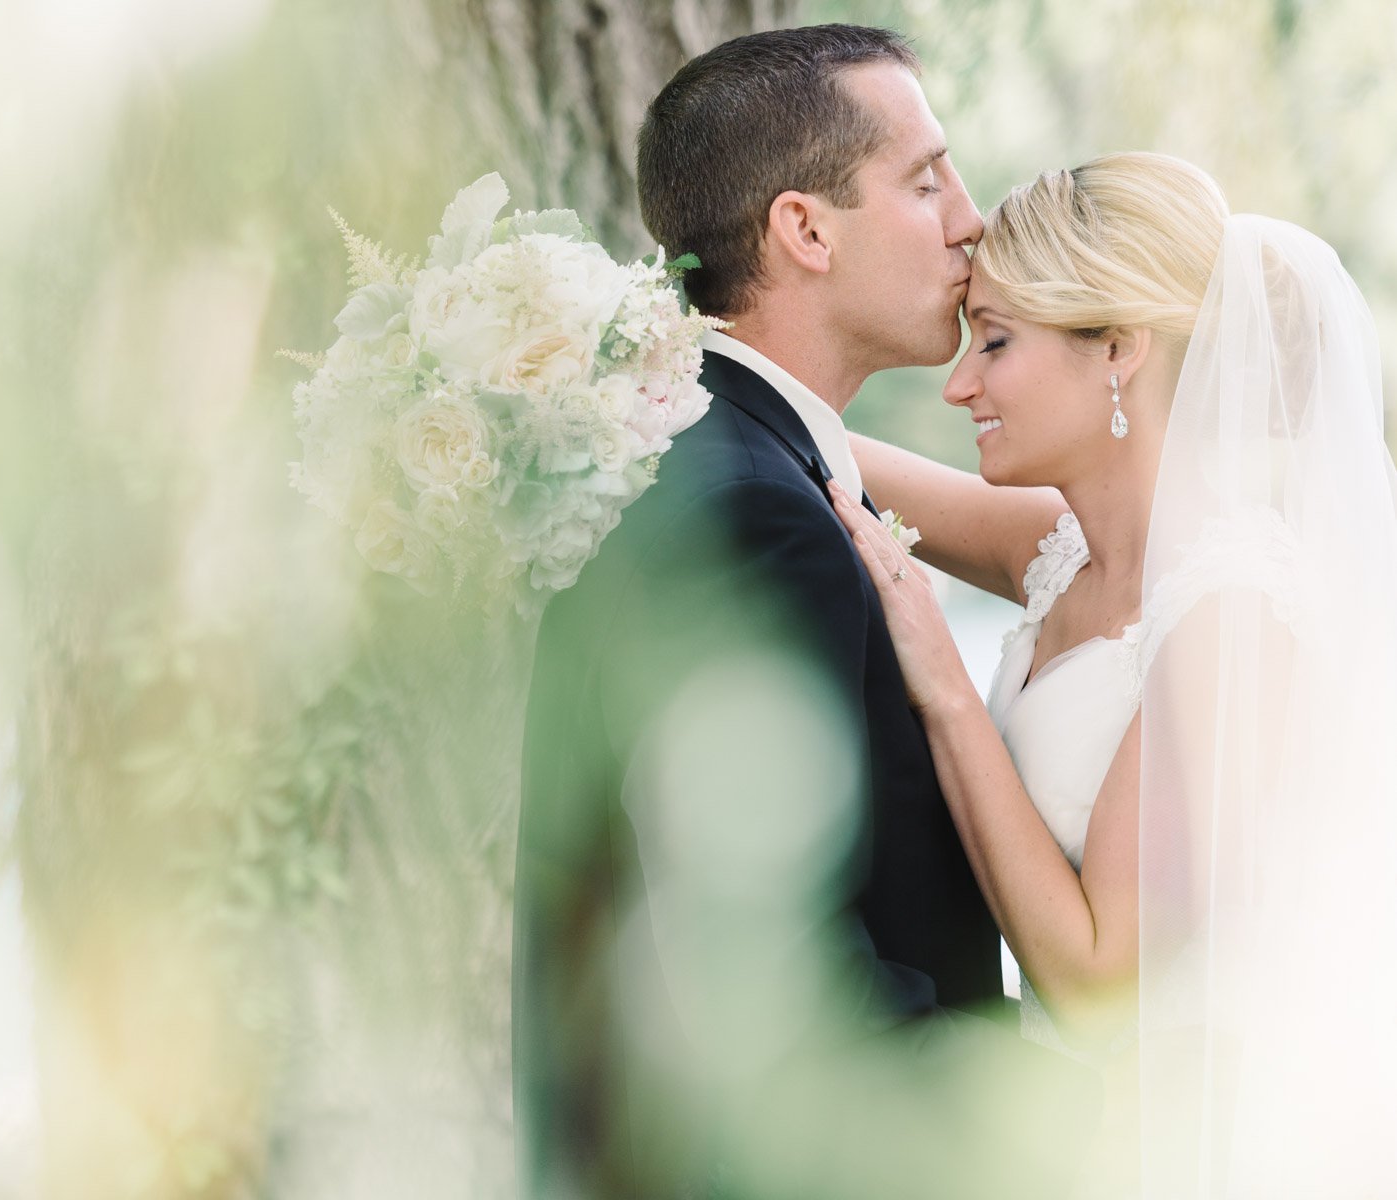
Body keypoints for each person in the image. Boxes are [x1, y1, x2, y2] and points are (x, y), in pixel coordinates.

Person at [514, 25, 1095, 1199]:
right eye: (926, 179)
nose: (968, 219)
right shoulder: (755, 513)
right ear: (806, 230)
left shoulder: (717, 458)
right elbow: (781, 972)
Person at [839, 150, 1397, 1195]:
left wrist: (947, 686)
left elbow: (1099, 975)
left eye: (995, 341)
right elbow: (824, 446)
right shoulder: (1061, 551)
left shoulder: (1232, 614)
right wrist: (646, 363)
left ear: (1119, 353)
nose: (959, 383)